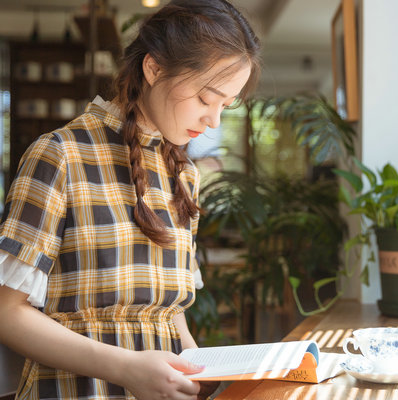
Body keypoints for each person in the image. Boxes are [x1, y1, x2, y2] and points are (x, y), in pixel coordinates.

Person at [0, 0, 260, 398]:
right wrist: (126, 369)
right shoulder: (61, 155)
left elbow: (170, 315)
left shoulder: (184, 176)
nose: (215, 121)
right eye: (207, 99)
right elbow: (6, 313)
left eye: (226, 105)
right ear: (154, 69)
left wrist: (194, 368)